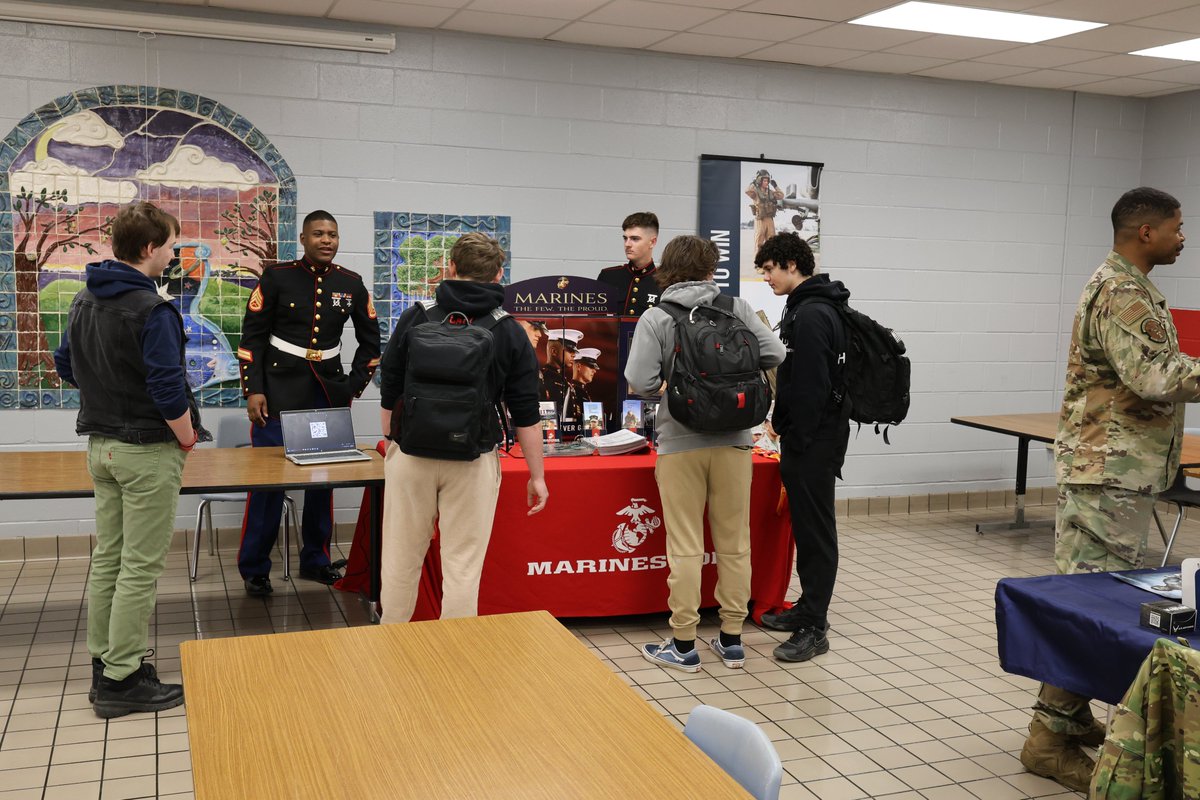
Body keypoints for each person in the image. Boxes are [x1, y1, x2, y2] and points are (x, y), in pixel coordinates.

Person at [1019, 186, 1200, 793]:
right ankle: (1049, 740)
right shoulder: (1123, 291)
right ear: (1145, 231)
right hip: (1107, 471)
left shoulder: (1130, 285)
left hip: (1115, 470)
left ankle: (1065, 721)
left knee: (1086, 600)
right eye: (1177, 227)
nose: (1183, 236)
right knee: (1088, 606)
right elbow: (1153, 376)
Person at [53, 201, 204, 718]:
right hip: (146, 451)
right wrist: (186, 437)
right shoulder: (153, 310)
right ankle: (123, 680)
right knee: (140, 566)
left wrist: (104, 391)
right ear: (148, 249)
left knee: (110, 559)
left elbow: (64, 365)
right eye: (169, 246)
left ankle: (107, 662)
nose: (172, 254)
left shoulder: (82, 300)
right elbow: (167, 389)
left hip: (101, 448)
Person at [625, 235, 785, 672]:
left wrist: (670, 387)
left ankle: (683, 643)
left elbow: (639, 380)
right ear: (711, 269)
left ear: (667, 270)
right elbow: (776, 352)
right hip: (735, 440)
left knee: (685, 546)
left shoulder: (657, 317)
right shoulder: (735, 309)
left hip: (680, 443)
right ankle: (732, 639)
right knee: (735, 543)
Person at [377, 232, 549, 622]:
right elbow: (526, 411)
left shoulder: (417, 315)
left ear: (451, 268)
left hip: (412, 453)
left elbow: (390, 384)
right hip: (473, 458)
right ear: (499, 274)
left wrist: (392, 441)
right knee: (462, 566)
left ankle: (388, 644)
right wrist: (537, 476)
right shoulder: (508, 330)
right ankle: (454, 659)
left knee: (401, 558)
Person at [237, 210, 381, 596]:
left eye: (332, 234)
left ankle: (315, 560)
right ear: (303, 238)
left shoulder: (351, 283)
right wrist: (254, 389)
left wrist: (351, 386)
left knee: (323, 482)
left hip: (326, 392)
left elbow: (372, 342)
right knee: (267, 484)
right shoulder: (278, 277)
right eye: (318, 233)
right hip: (278, 392)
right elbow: (251, 338)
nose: (326, 240)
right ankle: (255, 568)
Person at [754, 232, 851, 665]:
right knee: (808, 528)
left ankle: (815, 627)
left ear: (792, 264)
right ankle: (807, 609)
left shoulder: (813, 314)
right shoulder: (809, 307)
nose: (767, 278)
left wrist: (798, 435)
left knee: (815, 531)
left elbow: (813, 386)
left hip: (815, 441)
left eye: (770, 269)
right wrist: (780, 422)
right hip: (809, 437)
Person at [597, 212, 661, 316]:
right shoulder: (608, 277)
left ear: (652, 242)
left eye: (635, 239)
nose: (627, 244)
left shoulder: (664, 282)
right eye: (625, 238)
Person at [539, 328, 582, 406]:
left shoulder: (566, 383)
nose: (574, 355)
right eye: (569, 350)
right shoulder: (540, 378)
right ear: (554, 351)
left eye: (574, 352)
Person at [746, 169, 785, 251]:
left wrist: (775, 186)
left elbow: (781, 195)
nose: (767, 182)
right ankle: (757, 263)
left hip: (770, 219)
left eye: (767, 181)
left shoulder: (771, 192)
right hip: (760, 220)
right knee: (759, 243)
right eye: (764, 180)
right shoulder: (755, 192)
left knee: (772, 242)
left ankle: (770, 262)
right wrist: (753, 183)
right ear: (760, 181)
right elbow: (747, 191)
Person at [563, 347, 600, 423]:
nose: (594, 371)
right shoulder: (569, 390)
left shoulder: (583, 393)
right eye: (590, 366)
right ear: (578, 366)